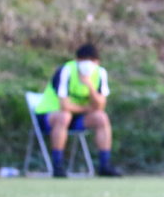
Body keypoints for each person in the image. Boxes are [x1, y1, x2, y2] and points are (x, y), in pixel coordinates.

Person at [33, 43, 120, 177]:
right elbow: (64, 106)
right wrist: (87, 108)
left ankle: (105, 165)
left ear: (98, 62)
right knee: (64, 116)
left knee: (101, 117)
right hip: (49, 117)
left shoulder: (100, 73)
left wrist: (89, 85)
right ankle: (57, 166)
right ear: (77, 60)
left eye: (92, 60)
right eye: (85, 60)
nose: (89, 64)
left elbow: (100, 106)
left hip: (77, 118)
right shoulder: (66, 70)